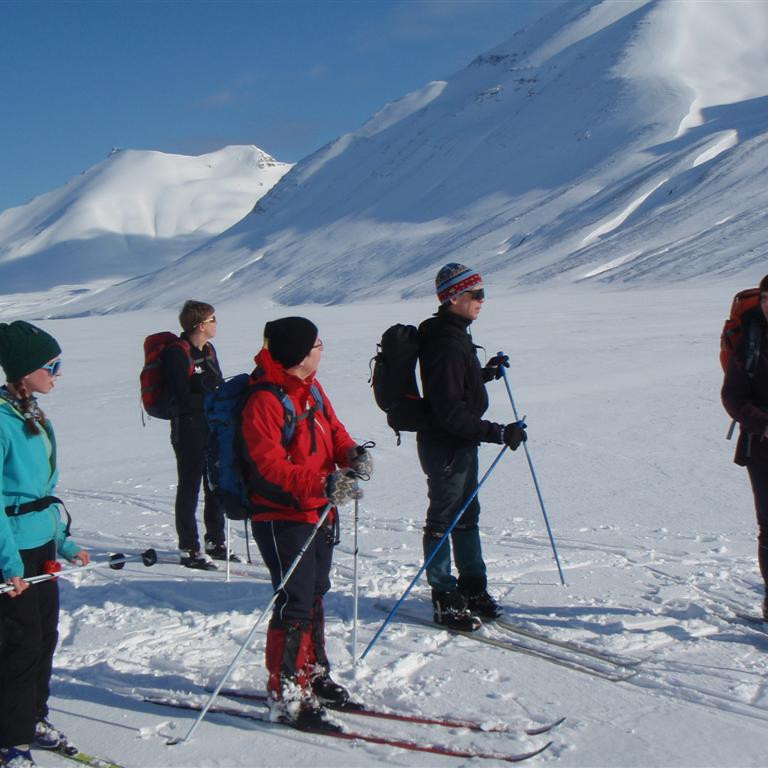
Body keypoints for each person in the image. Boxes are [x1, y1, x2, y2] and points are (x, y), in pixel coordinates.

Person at [241, 317, 371, 731]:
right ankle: (288, 692)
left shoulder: (310, 386)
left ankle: (313, 672)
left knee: (314, 594)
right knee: (293, 603)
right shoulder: (263, 400)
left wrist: (350, 454)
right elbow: (268, 467)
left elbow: (332, 429)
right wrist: (322, 482)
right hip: (282, 515)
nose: (322, 349)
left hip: (318, 508)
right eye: (316, 343)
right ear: (298, 352)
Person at [417, 263, 527, 631]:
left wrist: (485, 373)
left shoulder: (454, 335)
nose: (482, 301)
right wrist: (498, 432)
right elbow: (449, 412)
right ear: (454, 298)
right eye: (476, 294)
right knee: (443, 520)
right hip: (446, 446)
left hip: (460, 444)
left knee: (466, 515)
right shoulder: (445, 342)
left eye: (482, 293)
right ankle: (444, 597)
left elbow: (452, 386)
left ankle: (472, 588)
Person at [0, 321, 90, 768]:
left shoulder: (32, 414)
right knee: (20, 644)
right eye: (51, 366)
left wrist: (65, 542)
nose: (57, 373)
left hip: (40, 546)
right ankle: (9, 739)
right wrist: (7, 563)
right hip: (10, 553)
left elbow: (42, 491)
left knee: (46, 637)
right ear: (23, 370)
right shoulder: (0, 422)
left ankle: (33, 717)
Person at [164, 300, 231, 570]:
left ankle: (215, 541)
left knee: (214, 484)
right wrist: (205, 393)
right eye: (213, 320)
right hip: (189, 428)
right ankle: (189, 546)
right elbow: (179, 397)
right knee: (189, 486)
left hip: (212, 426)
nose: (217, 324)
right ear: (201, 325)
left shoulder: (209, 349)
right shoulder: (177, 353)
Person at [722, 274, 768, 620]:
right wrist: (762, 424)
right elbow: (733, 395)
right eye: (767, 300)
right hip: (760, 446)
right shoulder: (750, 340)